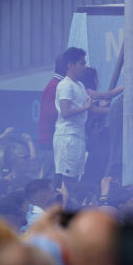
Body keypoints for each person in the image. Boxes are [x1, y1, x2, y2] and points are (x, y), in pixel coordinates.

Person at [52, 48, 93, 186]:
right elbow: (65, 112)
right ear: (70, 65)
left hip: (78, 136)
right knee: (66, 180)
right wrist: (86, 108)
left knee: (75, 179)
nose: (84, 67)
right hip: (67, 137)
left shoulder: (80, 85)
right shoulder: (64, 85)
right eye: (81, 63)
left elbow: (90, 106)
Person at [37, 51, 69, 177]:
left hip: (52, 143)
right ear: (68, 66)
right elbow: (50, 114)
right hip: (49, 144)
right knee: (49, 185)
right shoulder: (56, 86)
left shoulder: (58, 85)